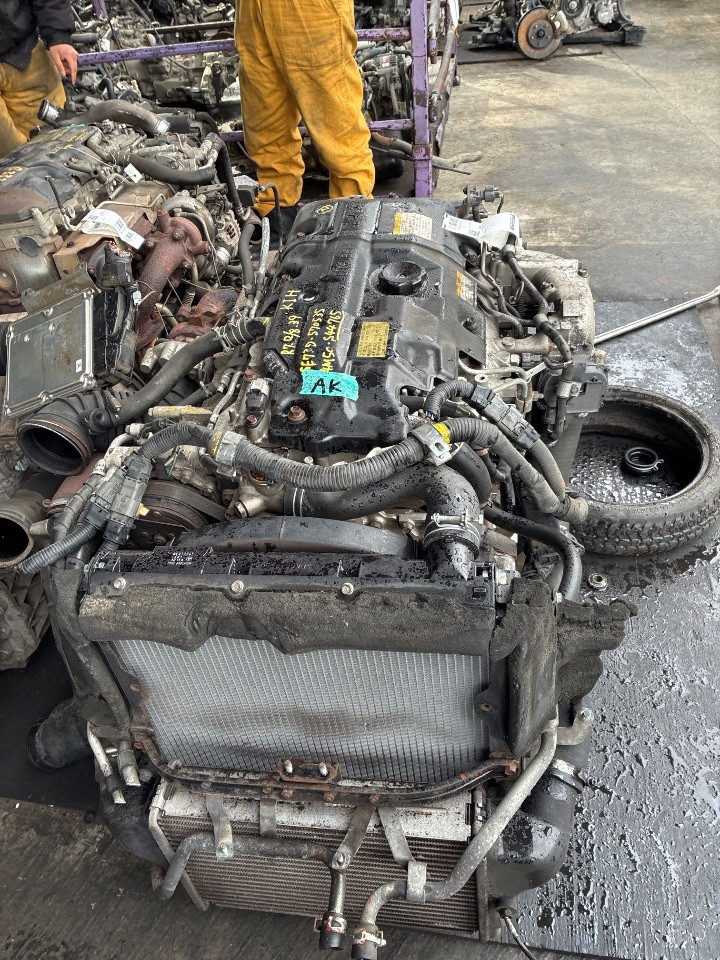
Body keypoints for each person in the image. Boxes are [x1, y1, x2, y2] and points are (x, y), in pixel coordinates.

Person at [235, 0, 375, 232]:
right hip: (251, 7)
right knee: (264, 111)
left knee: (334, 117)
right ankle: (277, 210)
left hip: (310, 8)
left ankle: (351, 216)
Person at [0, 0, 77, 158]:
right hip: (20, 48)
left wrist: (59, 35)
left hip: (24, 53)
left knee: (59, 145)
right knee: (12, 162)